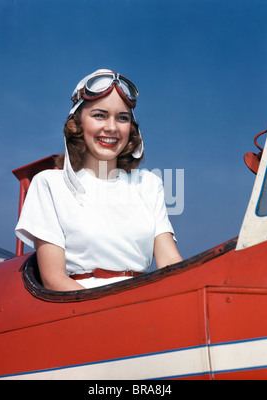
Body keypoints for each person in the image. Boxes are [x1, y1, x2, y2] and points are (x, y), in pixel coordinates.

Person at [15, 69, 183, 291]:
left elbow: (169, 262)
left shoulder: (150, 185)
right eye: (99, 115)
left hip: (146, 305)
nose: (111, 128)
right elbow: (53, 280)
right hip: (82, 311)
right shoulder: (50, 184)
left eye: (122, 118)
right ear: (77, 123)